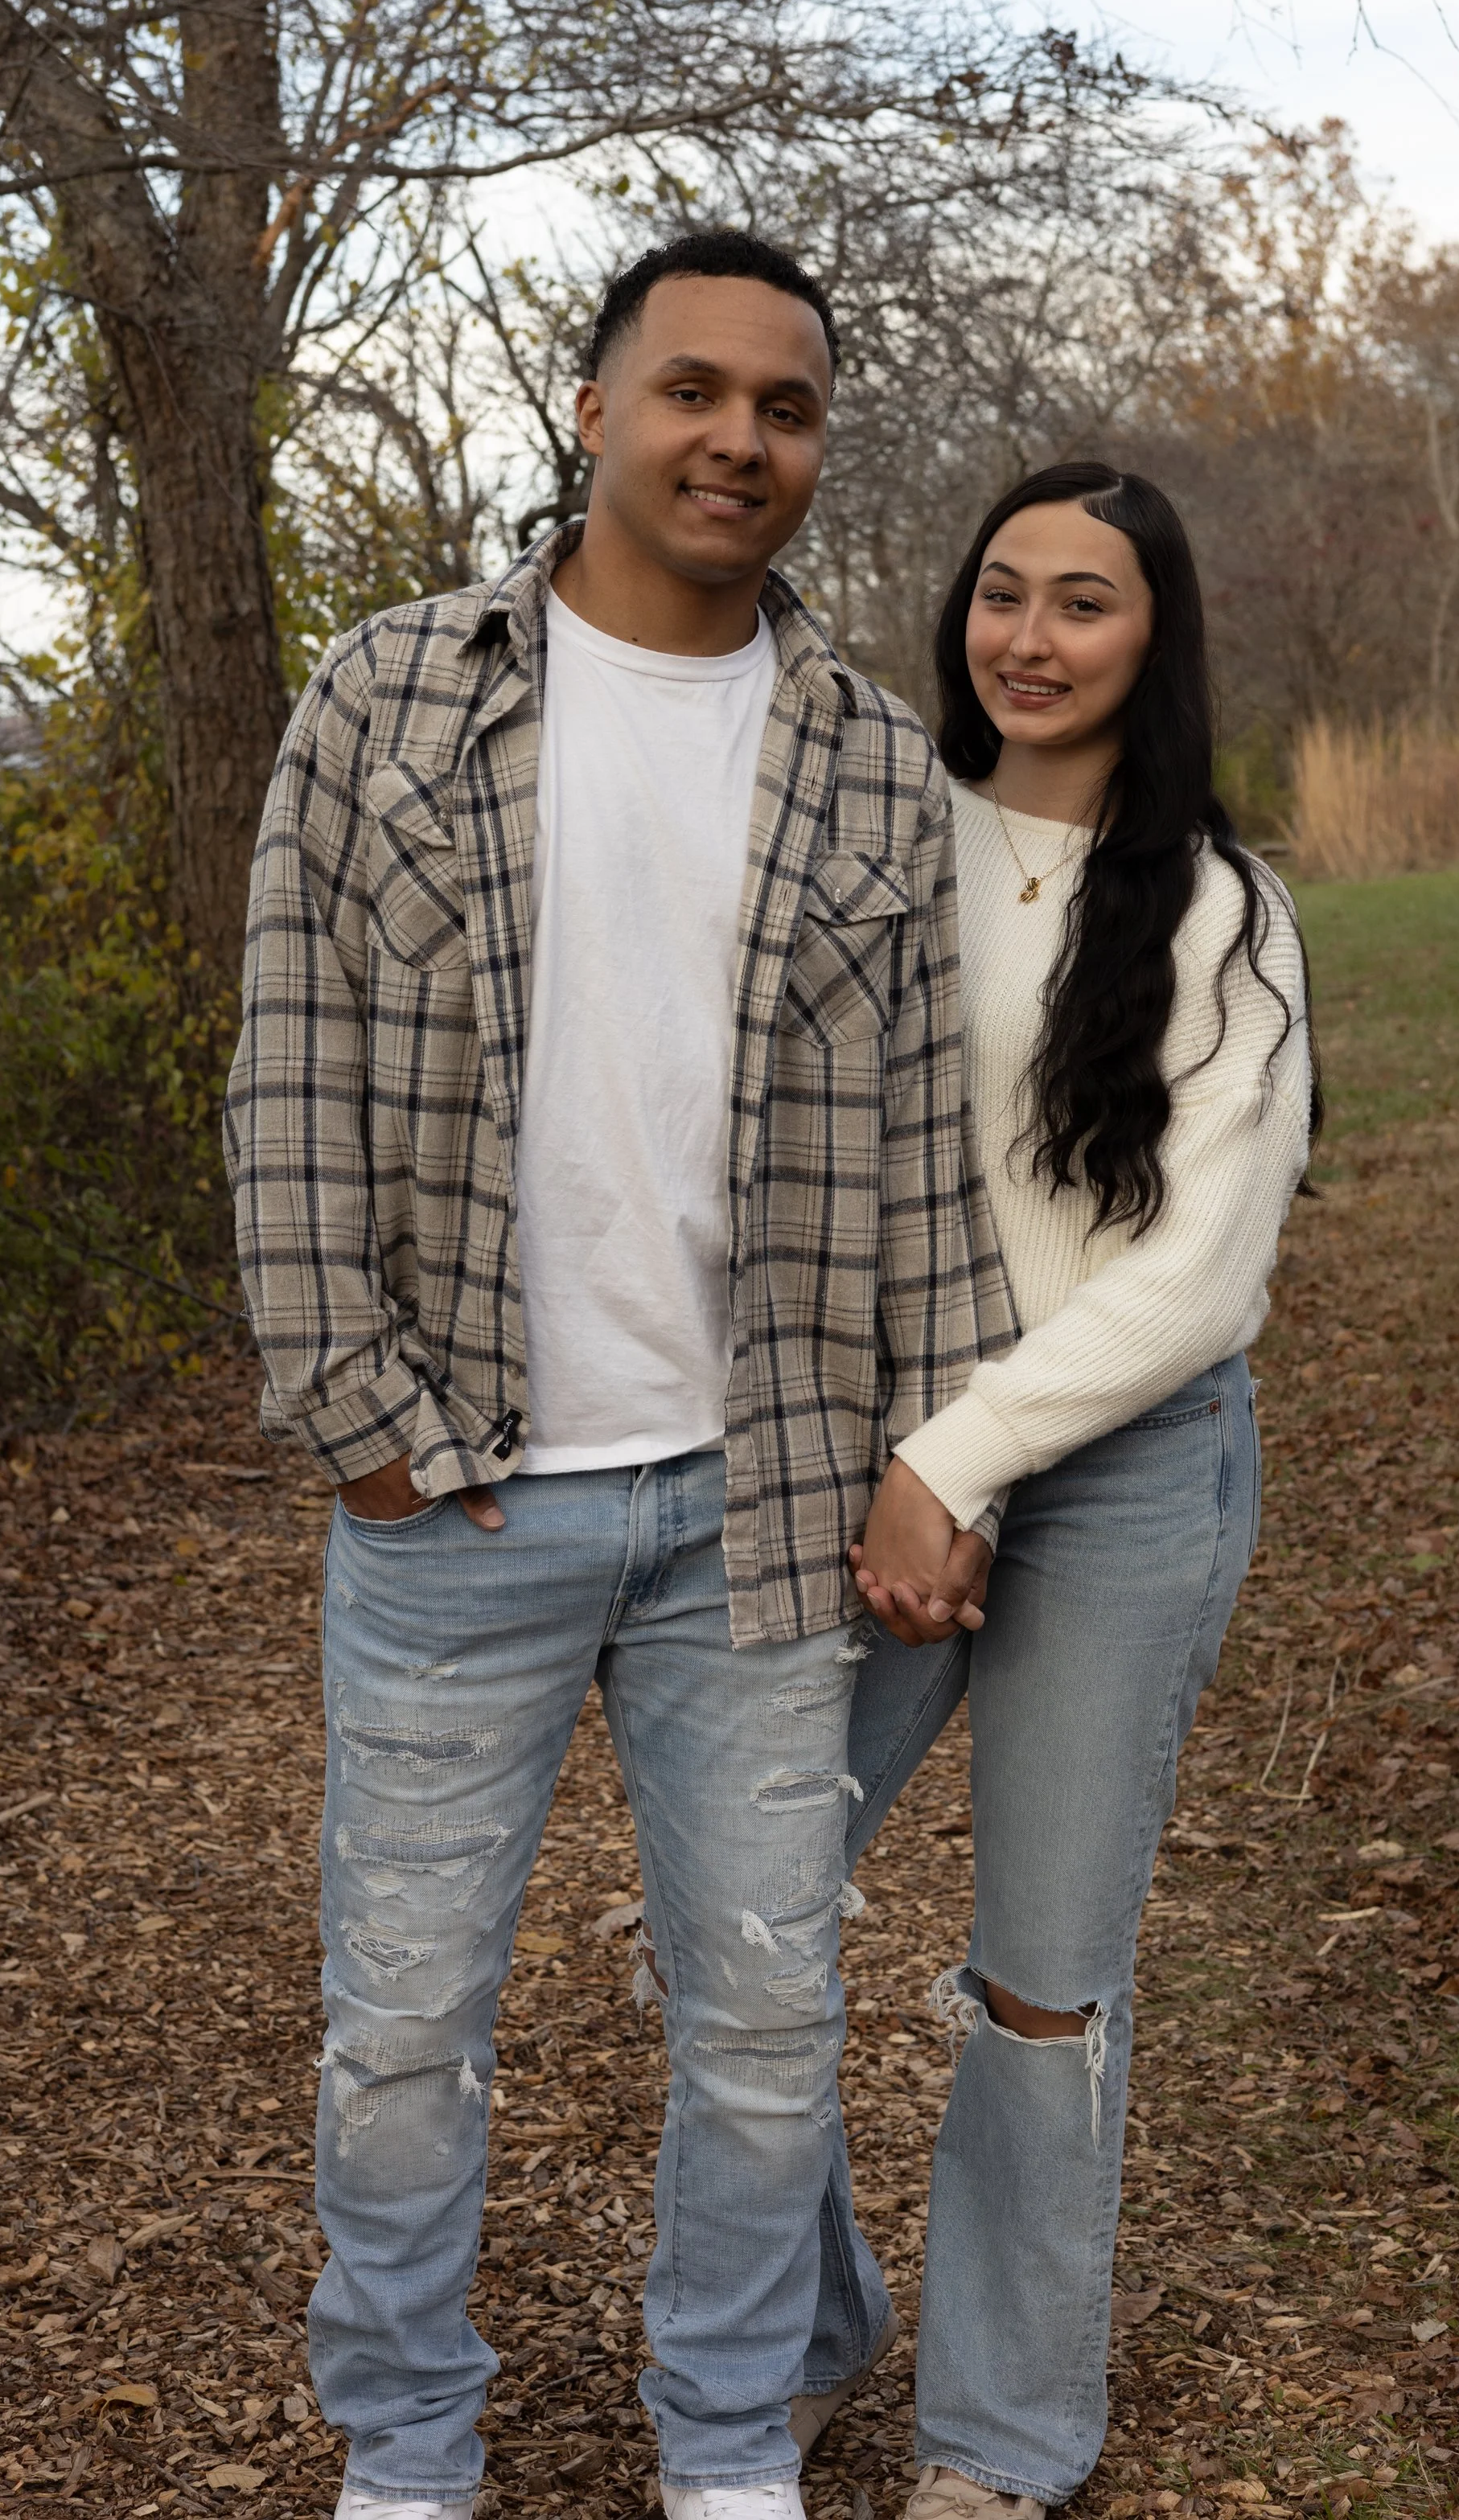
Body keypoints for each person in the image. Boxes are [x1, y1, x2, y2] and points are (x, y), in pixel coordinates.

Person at [224, 230, 1006, 2520]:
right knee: (400, 2028)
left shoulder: (870, 754)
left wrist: (931, 1455)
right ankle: (403, 2432)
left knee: (764, 2025)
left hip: (749, 1499)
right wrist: (355, 1415)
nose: (735, 437)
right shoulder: (390, 692)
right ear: (592, 407)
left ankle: (727, 2427)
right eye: (691, 388)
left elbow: (927, 1155)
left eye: (782, 405)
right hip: (460, 1484)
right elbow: (289, 1071)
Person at [799, 463, 1319, 2520]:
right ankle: (802, 2332)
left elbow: (1198, 1273)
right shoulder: (864, 845)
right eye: (998, 594)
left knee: (1037, 1976)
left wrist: (965, 1458)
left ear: (1150, 638)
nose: (1026, 636)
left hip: (1108, 1482)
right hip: (859, 1472)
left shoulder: (1217, 913)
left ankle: (997, 2440)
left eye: (1079, 603)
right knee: (739, 1923)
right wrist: (888, 1456)